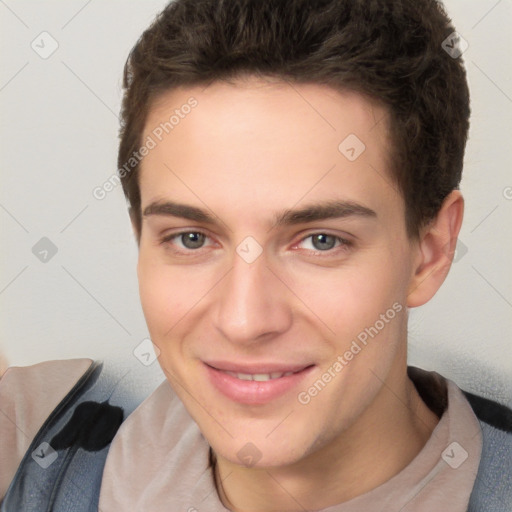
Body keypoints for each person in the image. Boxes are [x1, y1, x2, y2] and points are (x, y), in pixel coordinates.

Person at [1, 0, 511, 510]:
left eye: (320, 241)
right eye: (192, 238)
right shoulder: (32, 456)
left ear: (431, 252)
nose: (244, 321)